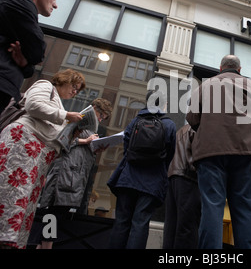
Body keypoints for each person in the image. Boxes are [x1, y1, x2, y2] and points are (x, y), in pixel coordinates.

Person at [0, 69, 85, 249]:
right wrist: (66, 116)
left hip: (36, 156)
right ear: (63, 80)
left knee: (18, 196)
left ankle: (2, 237)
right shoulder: (46, 86)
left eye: (77, 90)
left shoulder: (58, 104)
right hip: (23, 146)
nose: (74, 92)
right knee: (6, 190)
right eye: (74, 87)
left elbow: (53, 133)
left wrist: (72, 132)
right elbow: (33, 105)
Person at [0, 0, 61, 195]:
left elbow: (28, 67)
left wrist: (24, 64)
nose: (55, 4)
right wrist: (28, 61)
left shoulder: (15, 13)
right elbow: (36, 50)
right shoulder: (20, 4)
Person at [186, 54, 251, 249]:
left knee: (212, 207)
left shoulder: (206, 85)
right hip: (244, 150)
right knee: (245, 208)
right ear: (239, 69)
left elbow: (192, 118)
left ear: (221, 68)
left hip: (211, 151)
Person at [32, 98, 112, 249]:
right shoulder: (78, 119)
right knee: (54, 212)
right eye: (100, 114)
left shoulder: (90, 128)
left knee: (58, 213)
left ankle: (41, 245)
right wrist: (86, 141)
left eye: (103, 118)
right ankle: (44, 246)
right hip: (65, 173)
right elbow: (61, 141)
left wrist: (95, 147)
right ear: (93, 108)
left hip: (74, 176)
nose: (100, 119)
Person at [108, 90, 176, 249]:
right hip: (151, 182)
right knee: (140, 223)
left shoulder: (135, 121)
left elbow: (126, 147)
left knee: (121, 222)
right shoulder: (169, 124)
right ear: (164, 104)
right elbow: (170, 154)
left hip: (128, 178)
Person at [163, 123, 201, 249]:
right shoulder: (197, 128)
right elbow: (197, 157)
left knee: (171, 226)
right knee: (187, 226)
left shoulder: (181, 130)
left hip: (174, 176)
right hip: (188, 177)